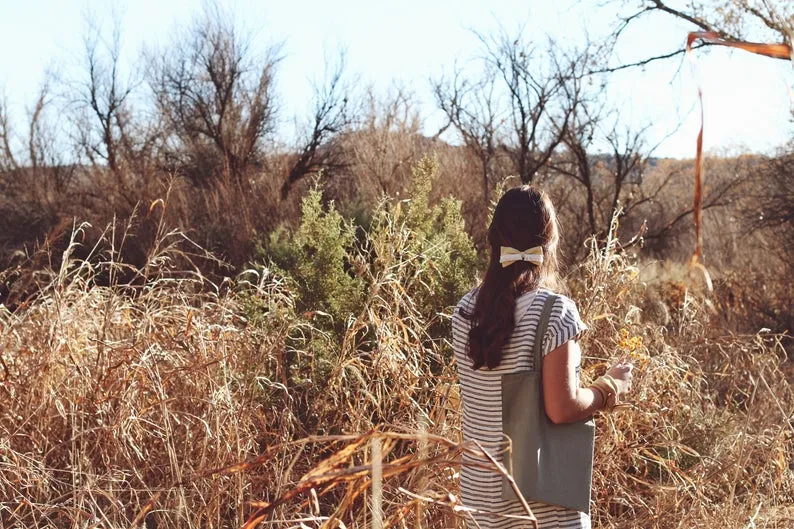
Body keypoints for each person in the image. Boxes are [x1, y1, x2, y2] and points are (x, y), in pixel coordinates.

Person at [452, 185, 633, 529]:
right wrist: (610, 387)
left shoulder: (463, 312)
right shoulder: (554, 312)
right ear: (549, 242)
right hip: (538, 507)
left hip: (479, 501)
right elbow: (561, 407)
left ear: (493, 242)